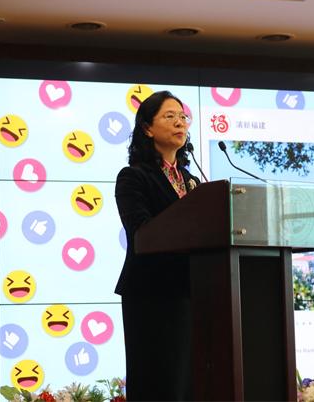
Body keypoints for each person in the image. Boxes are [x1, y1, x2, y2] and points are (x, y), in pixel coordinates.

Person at [114, 91, 201, 401]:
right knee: (159, 381)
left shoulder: (192, 181)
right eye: (169, 116)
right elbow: (141, 232)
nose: (180, 122)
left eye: (183, 117)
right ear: (147, 128)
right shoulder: (133, 177)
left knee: (189, 383)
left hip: (192, 291)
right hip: (151, 293)